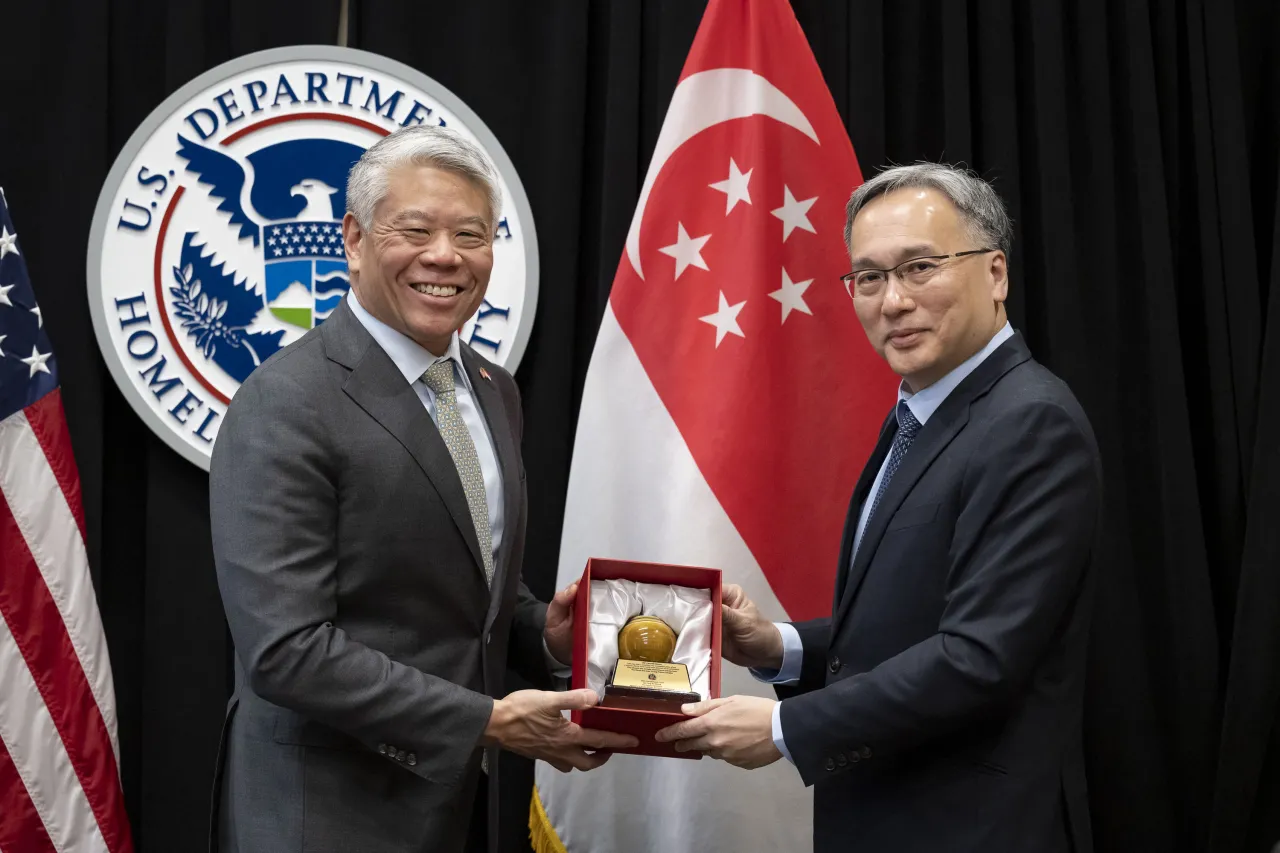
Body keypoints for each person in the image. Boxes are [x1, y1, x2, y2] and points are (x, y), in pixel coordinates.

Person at [209, 125, 635, 853]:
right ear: (354, 238)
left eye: (470, 233)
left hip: (457, 808)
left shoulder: (493, 389)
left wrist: (542, 631)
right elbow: (285, 649)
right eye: (416, 230)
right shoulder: (286, 401)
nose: (445, 255)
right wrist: (488, 720)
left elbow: (460, 586)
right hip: (326, 816)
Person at [657, 163, 1102, 853]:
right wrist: (781, 646)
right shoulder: (920, 414)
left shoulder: (1029, 423)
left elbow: (977, 656)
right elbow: (916, 619)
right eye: (869, 277)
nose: (892, 300)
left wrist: (783, 730)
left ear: (995, 274)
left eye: (918, 267)